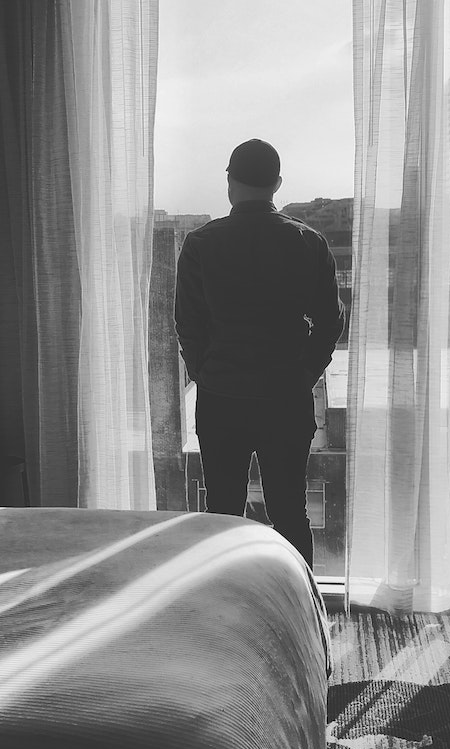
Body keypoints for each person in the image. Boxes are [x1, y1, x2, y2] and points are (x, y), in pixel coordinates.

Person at [173, 139, 345, 568]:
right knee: (290, 511)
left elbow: (188, 323)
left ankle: (229, 602)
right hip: (285, 396)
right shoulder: (308, 242)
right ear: (277, 184)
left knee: (224, 513)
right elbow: (330, 322)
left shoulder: (200, 243)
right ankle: (301, 604)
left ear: (231, 182)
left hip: (221, 398)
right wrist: (304, 373)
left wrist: (205, 372)